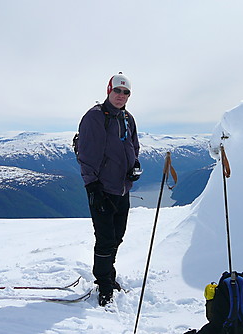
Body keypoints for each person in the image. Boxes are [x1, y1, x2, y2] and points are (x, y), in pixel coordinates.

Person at [76, 72, 141, 306]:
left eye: (126, 92)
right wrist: (92, 187)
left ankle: (107, 274)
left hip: (122, 188)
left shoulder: (127, 118)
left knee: (117, 237)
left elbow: (133, 145)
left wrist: (134, 165)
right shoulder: (94, 118)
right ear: (108, 90)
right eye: (117, 91)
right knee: (105, 239)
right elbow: (87, 154)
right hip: (101, 188)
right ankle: (104, 284)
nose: (121, 96)